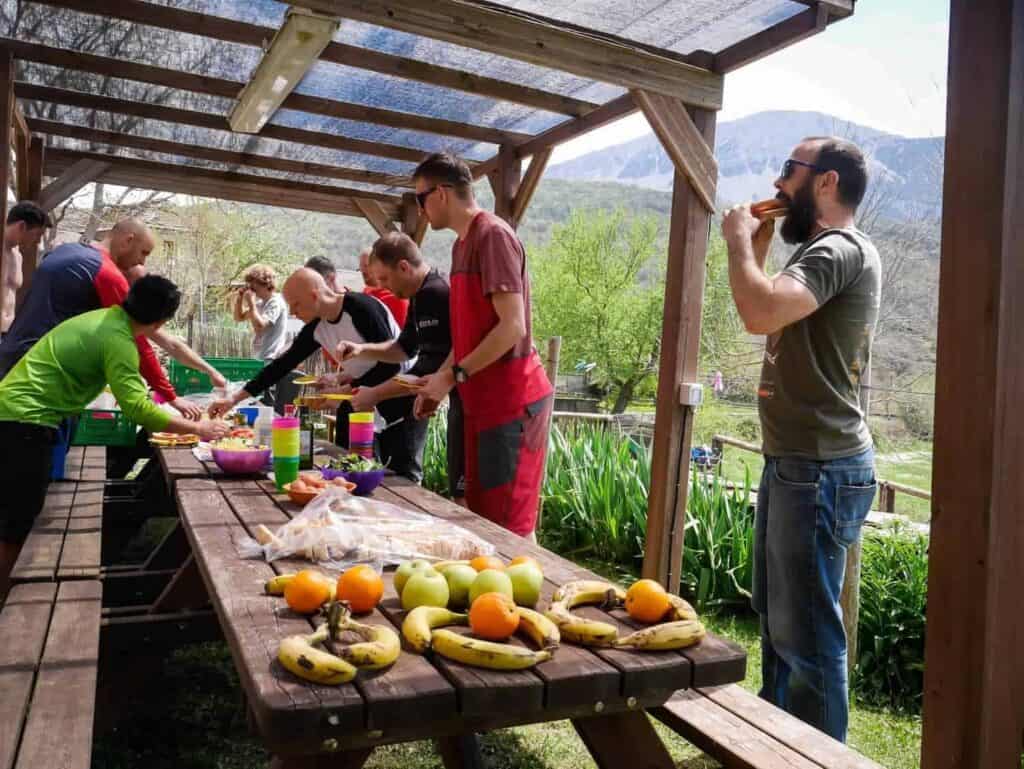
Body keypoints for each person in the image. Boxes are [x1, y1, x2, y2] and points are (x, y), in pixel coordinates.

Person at [722, 136, 880, 743]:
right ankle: (776, 747)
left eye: (789, 170)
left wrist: (738, 241)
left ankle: (812, 758)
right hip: (796, 464)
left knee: (808, 639)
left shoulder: (837, 249)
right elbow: (759, 303)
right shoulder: (818, 252)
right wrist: (756, 246)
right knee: (781, 629)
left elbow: (760, 313)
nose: (777, 182)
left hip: (817, 469)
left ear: (826, 183)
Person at [0, 275, 230, 599]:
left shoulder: (107, 319)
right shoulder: (118, 338)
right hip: (24, 420)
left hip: (15, 412)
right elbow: (137, 408)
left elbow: (137, 397)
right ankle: (11, 604)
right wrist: (199, 429)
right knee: (17, 524)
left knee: (16, 516)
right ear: (162, 320)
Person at [413, 153, 553, 539]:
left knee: (509, 529)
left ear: (440, 194)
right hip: (481, 403)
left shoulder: (493, 236)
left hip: (512, 403)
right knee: (481, 518)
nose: (419, 210)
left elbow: (512, 328)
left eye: (419, 199)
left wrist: (453, 376)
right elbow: (469, 334)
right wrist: (440, 382)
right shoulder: (462, 245)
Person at [209, 268, 421, 478]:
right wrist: (234, 398)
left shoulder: (361, 307)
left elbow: (392, 364)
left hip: (400, 399)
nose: (292, 313)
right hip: (360, 401)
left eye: (296, 304)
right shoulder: (316, 327)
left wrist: (345, 390)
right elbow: (280, 366)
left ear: (314, 295)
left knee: (402, 476)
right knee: (352, 469)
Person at [0, 217, 220, 418]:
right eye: (143, 253)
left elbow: (163, 339)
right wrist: (171, 397)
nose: (141, 262)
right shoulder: (106, 273)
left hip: (17, 355)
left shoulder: (67, 251)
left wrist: (209, 370)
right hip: (42, 381)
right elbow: (139, 341)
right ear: (128, 240)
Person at [336, 232, 463, 494]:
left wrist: (375, 394)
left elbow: (427, 369)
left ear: (404, 267)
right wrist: (362, 349)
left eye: (384, 278)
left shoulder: (435, 294)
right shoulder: (419, 294)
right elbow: (403, 348)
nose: (383, 287)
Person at [2, 202, 49, 337]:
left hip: (7, 333)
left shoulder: (18, 256)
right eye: (37, 234)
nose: (38, 241)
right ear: (22, 226)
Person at [359, 247, 408, 328]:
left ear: (379, 266)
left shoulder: (396, 296)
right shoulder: (366, 292)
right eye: (361, 267)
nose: (363, 271)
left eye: (366, 266)